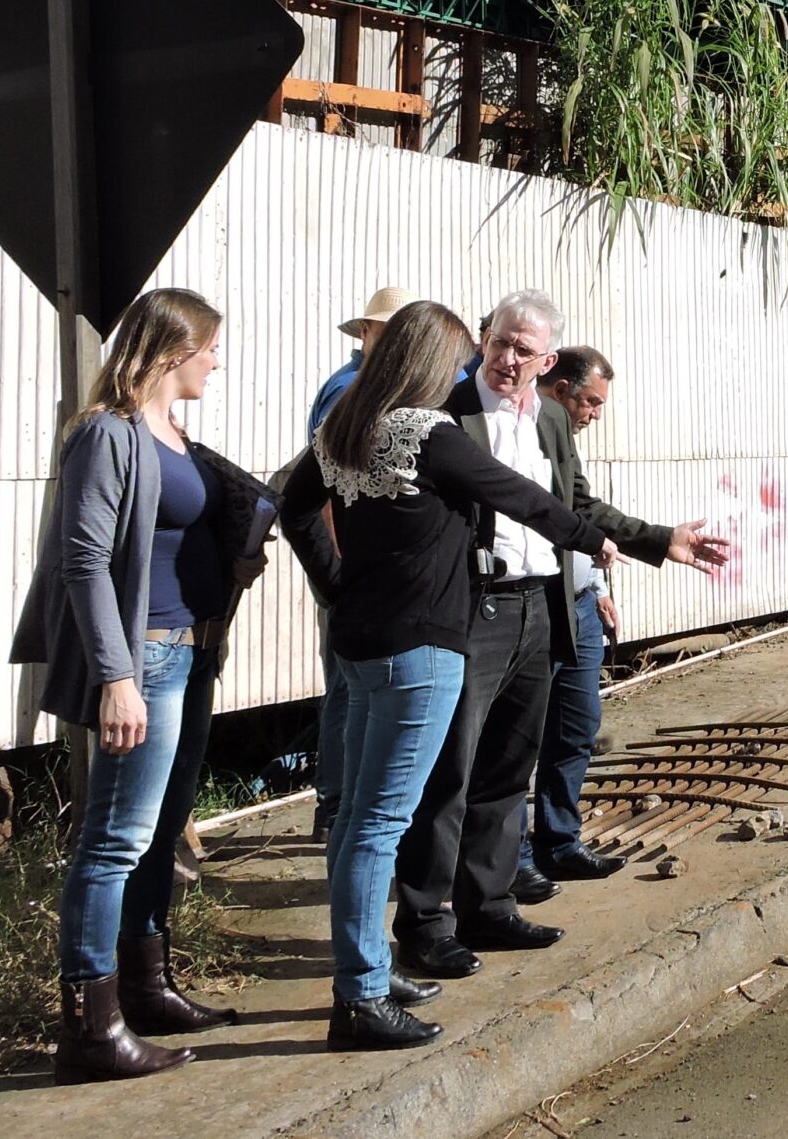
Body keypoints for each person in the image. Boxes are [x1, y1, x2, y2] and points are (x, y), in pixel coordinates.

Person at [276, 299, 608, 1051]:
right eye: (461, 359)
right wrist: (605, 544)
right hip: (420, 652)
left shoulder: (344, 430)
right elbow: (519, 497)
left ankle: (365, 966)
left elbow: (292, 508)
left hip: (361, 644)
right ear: (433, 364)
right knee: (380, 824)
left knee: (358, 818)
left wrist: (340, 586)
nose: (468, 372)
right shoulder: (428, 432)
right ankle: (360, 996)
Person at [10, 289, 321, 1083]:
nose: (218, 361)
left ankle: (145, 989)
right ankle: (87, 1027)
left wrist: (238, 555)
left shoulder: (175, 435)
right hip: (143, 662)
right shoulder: (106, 435)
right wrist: (117, 679)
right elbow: (83, 560)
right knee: (113, 839)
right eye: (211, 347)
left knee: (159, 829)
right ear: (174, 349)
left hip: (192, 652)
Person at [393, 293, 730, 981]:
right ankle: (425, 924)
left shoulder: (550, 417)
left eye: (525, 350)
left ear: (548, 360)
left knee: (508, 769)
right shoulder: (447, 413)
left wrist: (659, 540)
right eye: (500, 343)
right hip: (471, 608)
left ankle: (487, 904)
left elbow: (575, 503)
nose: (508, 359)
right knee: (448, 773)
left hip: (538, 604)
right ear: (482, 340)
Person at [511, 346, 674, 901]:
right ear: (559, 390)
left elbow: (579, 509)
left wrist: (600, 586)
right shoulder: (498, 429)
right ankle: (512, 860)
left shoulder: (556, 430)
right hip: (529, 603)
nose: (595, 414)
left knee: (576, 727)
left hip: (577, 600)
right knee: (517, 739)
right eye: (591, 401)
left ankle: (560, 842)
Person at [304, 286, 422, 846]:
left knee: (355, 687)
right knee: (350, 689)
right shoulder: (350, 392)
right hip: (354, 572)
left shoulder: (371, 388)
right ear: (368, 334)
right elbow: (324, 486)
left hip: (363, 572)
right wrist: (340, 572)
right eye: (389, 329)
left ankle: (342, 804)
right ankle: (335, 805)